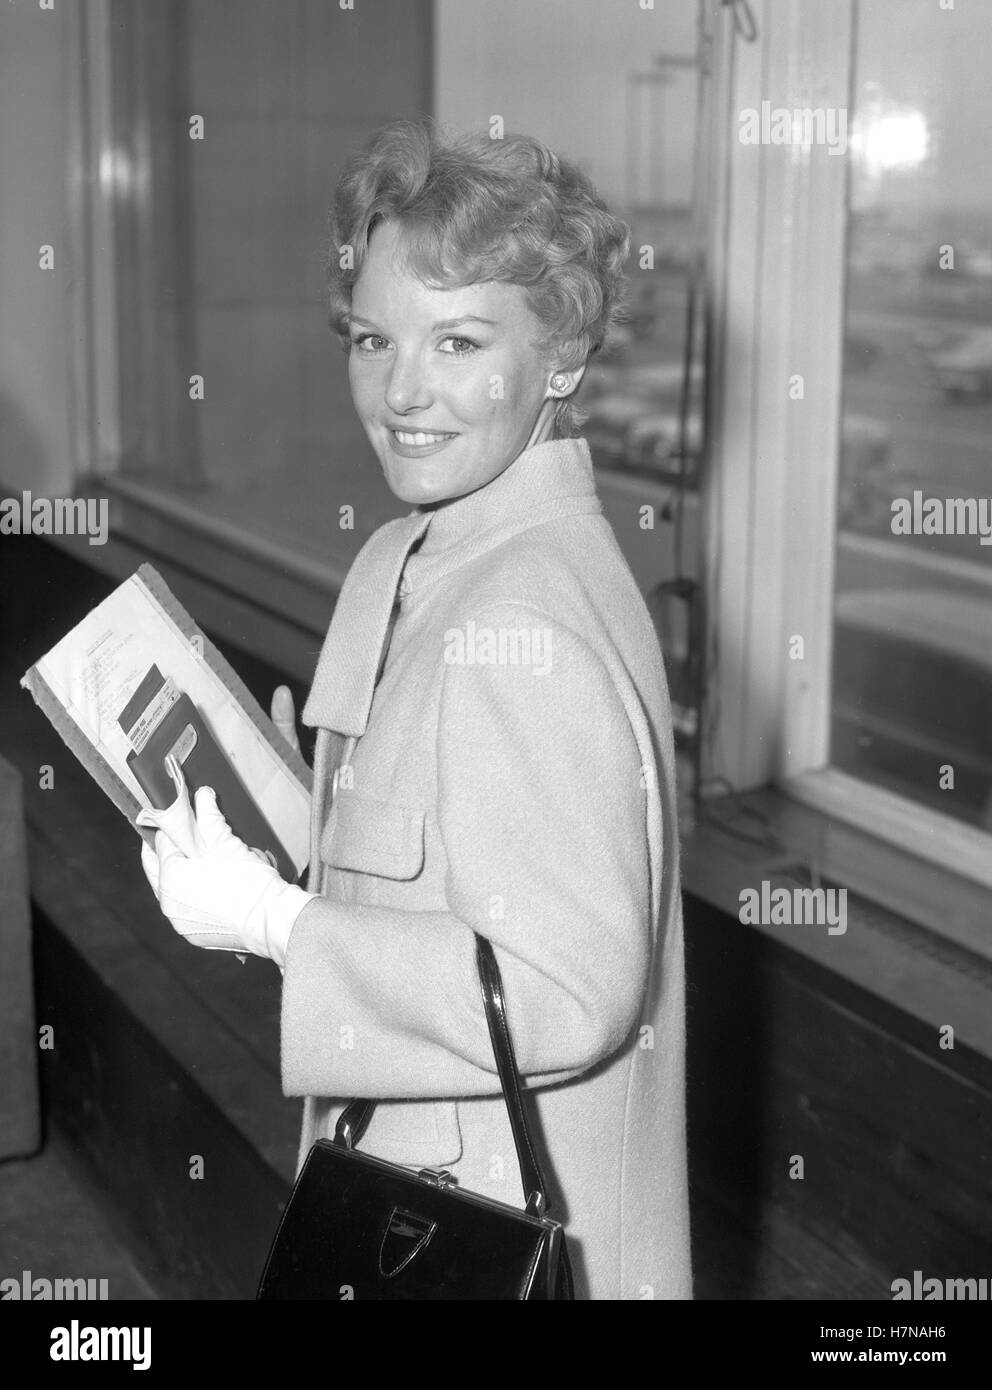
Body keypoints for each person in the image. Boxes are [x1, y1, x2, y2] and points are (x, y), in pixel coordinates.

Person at [138, 121, 691, 1301]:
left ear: (563, 358)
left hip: (469, 1222)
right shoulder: (416, 551)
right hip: (421, 1186)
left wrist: (278, 923)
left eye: (458, 342)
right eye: (373, 338)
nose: (400, 392)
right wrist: (307, 811)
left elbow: (567, 990)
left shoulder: (525, 617)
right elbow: (452, 849)